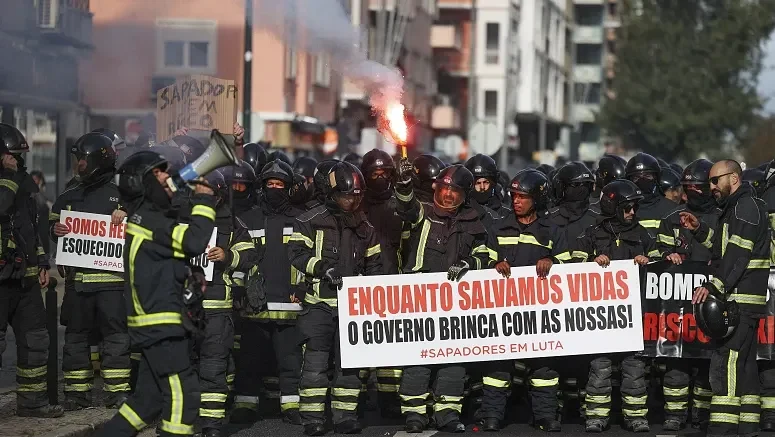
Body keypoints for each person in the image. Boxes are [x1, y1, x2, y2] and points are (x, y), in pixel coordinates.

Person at [98, 150, 216, 437]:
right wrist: (203, 198)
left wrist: (189, 276)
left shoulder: (146, 218)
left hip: (155, 323)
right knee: (183, 396)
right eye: (157, 173)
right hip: (159, 324)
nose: (166, 176)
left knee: (146, 401)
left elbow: (165, 263)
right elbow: (195, 241)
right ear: (140, 183)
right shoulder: (149, 221)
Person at [394, 161, 495, 433]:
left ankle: (447, 413)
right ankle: (414, 413)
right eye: (444, 189)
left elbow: (486, 255)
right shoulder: (423, 212)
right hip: (419, 300)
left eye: (455, 192)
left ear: (465, 196)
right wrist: (404, 187)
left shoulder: (474, 220)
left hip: (456, 303)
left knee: (453, 359)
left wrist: (468, 265)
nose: (448, 196)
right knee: (418, 357)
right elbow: (406, 207)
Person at [288, 161, 383, 436]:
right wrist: (322, 268)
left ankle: (344, 417)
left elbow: (374, 264)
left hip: (352, 311)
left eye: (356, 197)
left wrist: (372, 290)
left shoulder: (366, 227)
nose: (351, 202)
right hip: (318, 306)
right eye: (346, 196)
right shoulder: (308, 221)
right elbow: (297, 255)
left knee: (350, 366)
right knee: (315, 366)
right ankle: (313, 419)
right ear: (331, 194)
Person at [680, 159, 768, 437]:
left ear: (734, 178)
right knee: (744, 364)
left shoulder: (745, 207)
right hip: (742, 299)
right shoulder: (736, 208)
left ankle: (722, 428)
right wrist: (698, 230)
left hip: (739, 299)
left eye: (715, 181)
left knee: (726, 361)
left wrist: (715, 286)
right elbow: (721, 248)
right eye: (710, 182)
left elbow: (737, 254)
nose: (711, 187)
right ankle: (747, 426)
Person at [482, 169, 571, 432]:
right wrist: (492, 264)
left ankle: (544, 416)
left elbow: (572, 265)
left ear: (538, 199)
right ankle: (492, 415)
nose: (516, 201)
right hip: (502, 311)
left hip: (541, 314)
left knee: (544, 367)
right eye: (513, 196)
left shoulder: (552, 231)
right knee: (497, 365)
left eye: (523, 196)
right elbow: (480, 257)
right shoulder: (498, 227)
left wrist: (552, 261)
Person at [50, 132, 131, 410]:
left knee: (116, 339)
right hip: (78, 284)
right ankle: (76, 393)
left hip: (112, 284)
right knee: (75, 338)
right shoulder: (70, 193)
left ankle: (118, 391)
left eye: (83, 159)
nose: (79, 165)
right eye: (77, 160)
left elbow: (144, 226)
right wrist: (55, 230)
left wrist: (127, 217)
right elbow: (52, 224)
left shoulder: (123, 194)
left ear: (98, 158)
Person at [572, 179, 658, 433]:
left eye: (634, 208)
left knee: (634, 368)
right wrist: (591, 260)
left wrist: (649, 261)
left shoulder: (642, 234)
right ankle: (596, 417)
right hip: (602, 318)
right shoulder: (591, 233)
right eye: (627, 208)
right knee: (600, 367)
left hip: (634, 317)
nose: (633, 213)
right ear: (613, 207)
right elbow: (573, 266)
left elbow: (662, 261)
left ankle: (636, 417)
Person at [231, 160, 305, 425]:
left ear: (288, 188)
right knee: (250, 358)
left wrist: (301, 286)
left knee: (289, 359)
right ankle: (246, 404)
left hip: (289, 302)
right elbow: (240, 256)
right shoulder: (248, 218)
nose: (274, 189)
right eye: (270, 184)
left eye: (280, 185)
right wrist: (239, 287)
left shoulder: (300, 219)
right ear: (262, 187)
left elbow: (306, 257)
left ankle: (291, 406)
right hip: (255, 304)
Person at [0, 123, 63, 418]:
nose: (17, 160)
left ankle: (33, 403)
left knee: (35, 341)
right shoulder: (10, 183)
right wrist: (9, 179)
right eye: (12, 155)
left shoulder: (20, 182)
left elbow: (29, 228)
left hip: (24, 279)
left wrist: (40, 262)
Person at [655, 158, 718, 430]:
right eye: (687, 187)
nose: (690, 192)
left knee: (706, 361)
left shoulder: (722, 216)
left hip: (712, 299)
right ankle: (675, 415)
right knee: (676, 360)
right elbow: (656, 255)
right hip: (675, 304)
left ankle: (702, 415)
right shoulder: (671, 219)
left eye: (697, 187)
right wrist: (667, 256)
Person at [196, 170, 256, 437]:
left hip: (217, 305)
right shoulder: (180, 217)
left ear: (219, 194)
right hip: (183, 305)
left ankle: (211, 423)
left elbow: (249, 252)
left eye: (207, 191)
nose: (202, 196)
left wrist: (228, 255)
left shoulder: (230, 222)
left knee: (214, 364)